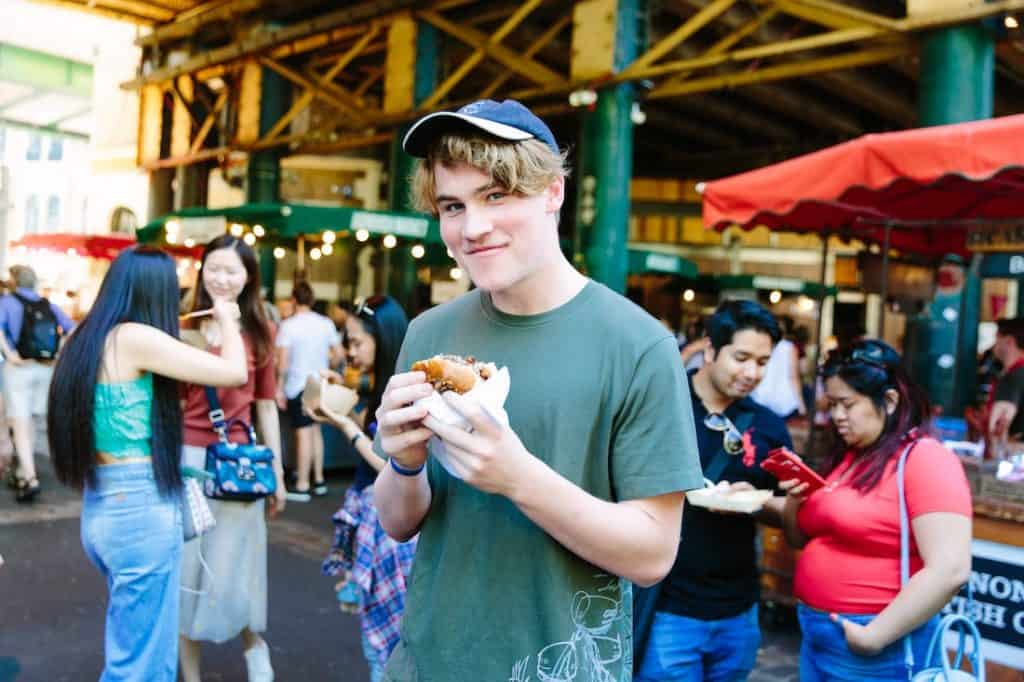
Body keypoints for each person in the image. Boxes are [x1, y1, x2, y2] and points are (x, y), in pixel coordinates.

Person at [372, 99, 703, 681]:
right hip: (425, 665)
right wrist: (402, 462)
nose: (473, 228)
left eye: (497, 196)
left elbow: (653, 554)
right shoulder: (430, 332)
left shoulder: (639, 346)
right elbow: (399, 523)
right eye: (454, 205)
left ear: (553, 192)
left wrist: (517, 477)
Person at [46, 247, 248, 681]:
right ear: (153, 291)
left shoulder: (85, 337)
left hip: (104, 504)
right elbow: (234, 372)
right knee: (139, 666)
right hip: (137, 508)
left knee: (139, 652)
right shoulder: (134, 337)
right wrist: (229, 320)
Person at [782, 340, 972, 680]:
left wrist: (874, 637)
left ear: (889, 401)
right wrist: (796, 498)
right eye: (831, 404)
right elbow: (800, 538)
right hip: (819, 634)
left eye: (847, 404)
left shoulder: (925, 459)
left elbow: (950, 569)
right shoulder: (847, 456)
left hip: (877, 644)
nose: (836, 416)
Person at [635, 300, 792, 682]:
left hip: (738, 610)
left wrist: (758, 503)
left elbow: (789, 511)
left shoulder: (768, 426)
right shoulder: (661, 406)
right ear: (710, 349)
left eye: (762, 362)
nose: (752, 372)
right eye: (741, 357)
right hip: (668, 608)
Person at [177, 235, 288, 682]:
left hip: (241, 462)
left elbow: (265, 405)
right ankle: (190, 673)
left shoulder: (260, 330)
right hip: (187, 460)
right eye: (214, 267)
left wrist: (279, 471)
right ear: (201, 270)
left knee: (236, 565)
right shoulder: (181, 325)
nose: (221, 278)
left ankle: (254, 648)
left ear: (248, 278)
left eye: (233, 270)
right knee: (187, 568)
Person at [314, 295, 416, 682]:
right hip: (377, 518)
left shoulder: (404, 390)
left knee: (386, 642)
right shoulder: (382, 384)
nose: (350, 351)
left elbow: (395, 462)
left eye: (357, 342)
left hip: (394, 532)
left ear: (383, 339)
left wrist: (346, 427)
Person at [0, 264, 76, 502]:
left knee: (19, 421)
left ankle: (30, 476)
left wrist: (10, 354)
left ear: (14, 282)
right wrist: (57, 353)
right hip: (45, 368)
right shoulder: (48, 304)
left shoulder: (7, 303)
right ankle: (23, 469)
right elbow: (72, 329)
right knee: (31, 420)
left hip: (19, 368)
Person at [275, 280, 341, 500]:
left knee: (303, 433)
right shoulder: (326, 323)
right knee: (315, 431)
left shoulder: (289, 325)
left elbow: (282, 363)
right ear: (312, 300)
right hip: (319, 383)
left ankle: (302, 484)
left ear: (294, 300)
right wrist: (329, 368)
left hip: (298, 384)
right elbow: (339, 354)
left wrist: (279, 388)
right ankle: (319, 479)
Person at [751, 316, 807, 420]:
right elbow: (793, 377)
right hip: (784, 401)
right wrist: (801, 404)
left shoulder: (757, 345)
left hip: (760, 397)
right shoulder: (789, 347)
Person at [987, 317, 1024, 449]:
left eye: (997, 338)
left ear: (1009, 341)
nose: (993, 345)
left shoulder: (1014, 376)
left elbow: (997, 428)